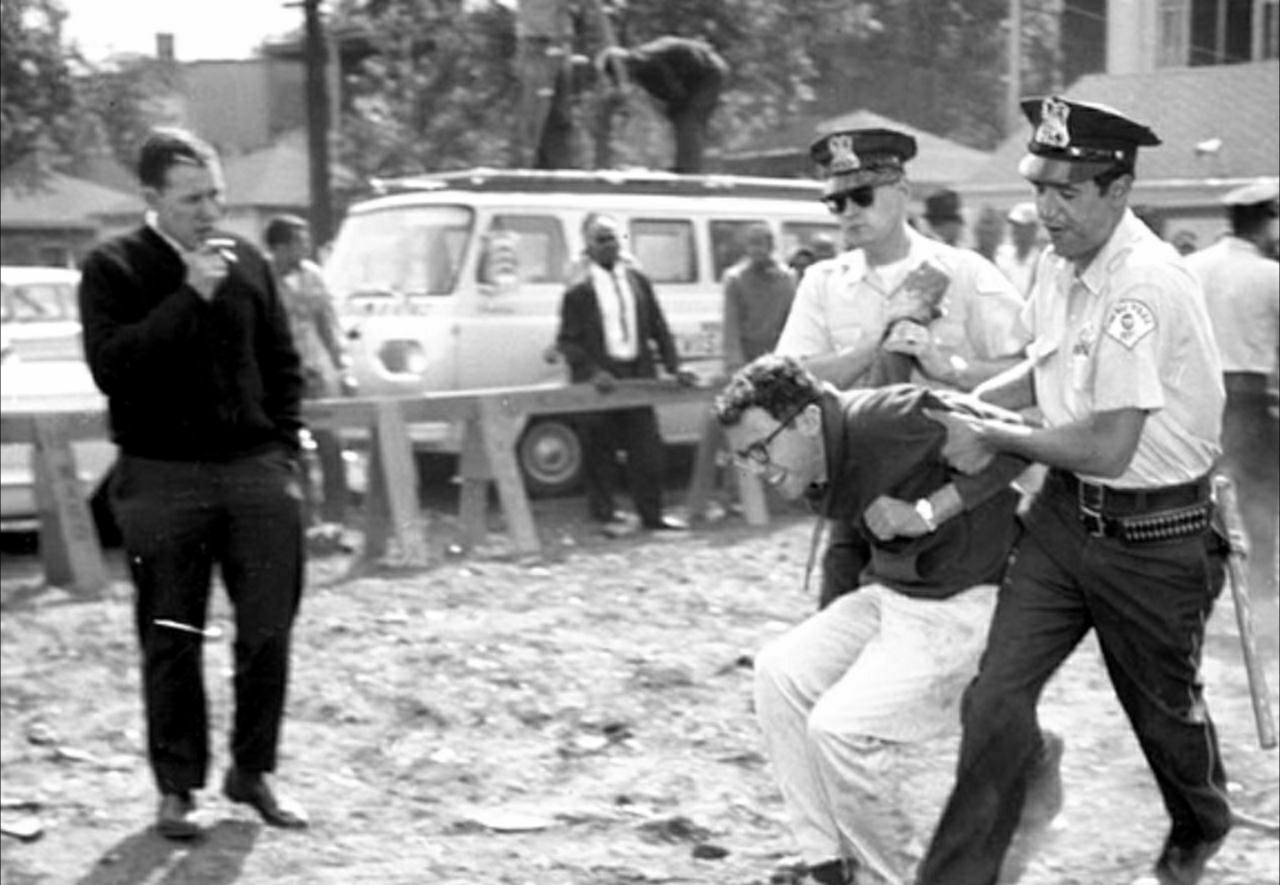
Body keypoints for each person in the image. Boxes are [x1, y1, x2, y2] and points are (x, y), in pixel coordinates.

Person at [917, 96, 1232, 885]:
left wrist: (993, 433)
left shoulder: (1144, 286)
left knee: (1163, 717)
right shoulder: (1060, 261)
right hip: (1063, 520)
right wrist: (972, 399)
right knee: (994, 699)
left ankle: (1200, 824)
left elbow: (1108, 446)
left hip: (1158, 534)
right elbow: (1045, 368)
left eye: (1067, 192)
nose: (1046, 210)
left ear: (1118, 191)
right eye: (1039, 188)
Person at [716, 354, 1030, 885]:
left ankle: (889, 877)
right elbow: (847, 550)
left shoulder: (890, 417)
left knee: (838, 727)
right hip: (896, 596)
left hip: (965, 601)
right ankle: (828, 863)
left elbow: (1018, 439)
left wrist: (930, 511)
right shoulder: (817, 455)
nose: (757, 468)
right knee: (779, 672)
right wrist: (836, 646)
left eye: (760, 449)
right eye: (744, 458)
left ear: (808, 420)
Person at [77, 127, 309, 838]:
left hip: (254, 472)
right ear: (150, 198)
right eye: (191, 200)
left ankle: (252, 771)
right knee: (173, 633)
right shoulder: (113, 266)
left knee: (267, 628)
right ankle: (178, 788)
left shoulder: (248, 260)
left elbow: (282, 361)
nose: (209, 212)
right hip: (162, 477)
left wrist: (282, 450)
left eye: (216, 195)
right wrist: (188, 297)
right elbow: (113, 367)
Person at [773, 127, 1028, 608]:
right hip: (857, 491)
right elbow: (792, 384)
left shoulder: (962, 271)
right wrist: (867, 348)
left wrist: (950, 367)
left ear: (902, 190)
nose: (850, 212)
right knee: (838, 624)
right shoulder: (824, 282)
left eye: (862, 197)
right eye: (836, 203)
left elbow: (1028, 371)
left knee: (954, 633)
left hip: (948, 492)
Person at [555, 212, 698, 532]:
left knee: (647, 449)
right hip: (601, 379)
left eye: (614, 238)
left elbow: (658, 328)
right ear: (588, 246)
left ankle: (652, 515)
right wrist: (592, 372)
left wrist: (675, 367)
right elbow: (567, 342)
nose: (609, 245)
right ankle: (604, 516)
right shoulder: (578, 290)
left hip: (636, 373)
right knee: (600, 451)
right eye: (601, 239)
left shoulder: (637, 281)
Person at [1185, 178, 1280, 600]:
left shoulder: (1192, 267)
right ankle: (1261, 588)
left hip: (1197, 396)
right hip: (1247, 395)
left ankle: (1196, 579)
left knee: (1193, 492)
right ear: (1265, 223)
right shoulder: (1270, 275)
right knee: (1258, 495)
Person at [264, 214, 355, 541]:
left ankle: (336, 520)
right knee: (290, 450)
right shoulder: (261, 277)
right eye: (299, 242)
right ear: (280, 247)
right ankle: (304, 520)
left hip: (314, 373)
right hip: (277, 377)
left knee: (331, 443)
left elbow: (328, 323)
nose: (305, 248)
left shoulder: (312, 275)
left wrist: (343, 368)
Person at [722, 223, 796, 371]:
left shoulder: (786, 278)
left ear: (770, 247)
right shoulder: (736, 279)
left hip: (779, 353)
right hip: (747, 355)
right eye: (752, 244)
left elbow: (793, 319)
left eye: (760, 244)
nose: (756, 250)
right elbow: (731, 323)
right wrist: (734, 362)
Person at [995, 201, 1043, 298]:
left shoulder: (1042, 261)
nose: (1015, 230)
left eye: (1020, 226)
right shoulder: (1002, 258)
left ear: (1033, 228)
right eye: (1014, 225)